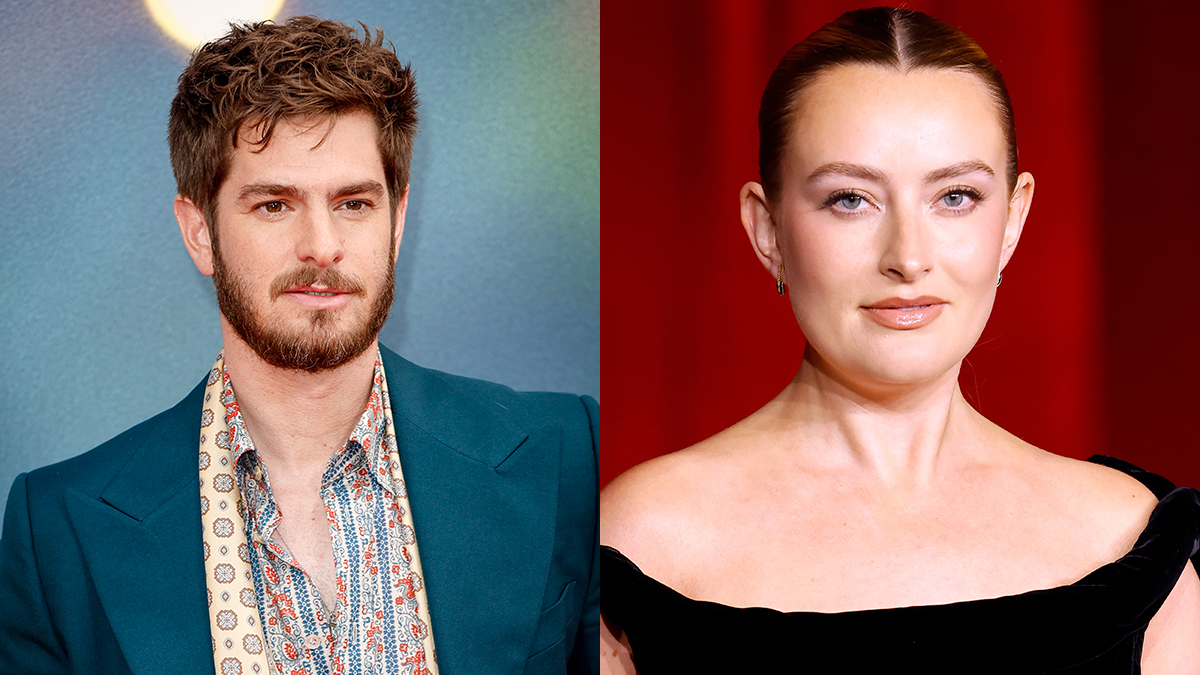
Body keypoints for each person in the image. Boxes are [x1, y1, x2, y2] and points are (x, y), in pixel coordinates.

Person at [600, 7, 1199, 673]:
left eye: (956, 197)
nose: (908, 257)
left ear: (1012, 219)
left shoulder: (1130, 544)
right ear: (768, 230)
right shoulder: (642, 545)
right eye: (850, 199)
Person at [0, 17, 598, 675]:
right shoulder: (59, 530)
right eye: (274, 205)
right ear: (200, 232)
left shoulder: (564, 456)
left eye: (353, 203)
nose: (321, 244)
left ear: (397, 220)